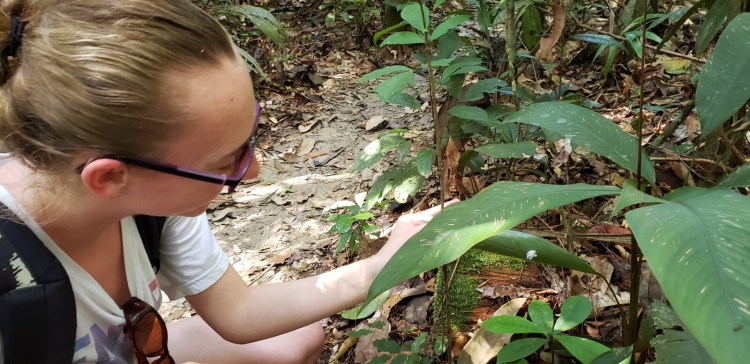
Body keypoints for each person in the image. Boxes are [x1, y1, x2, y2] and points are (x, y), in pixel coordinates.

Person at [0, 0, 449, 363]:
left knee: (293, 341)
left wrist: (381, 266)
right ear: (110, 177)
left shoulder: (151, 199)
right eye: (223, 163)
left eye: (250, 137)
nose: (251, 171)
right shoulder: (12, 284)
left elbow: (238, 312)